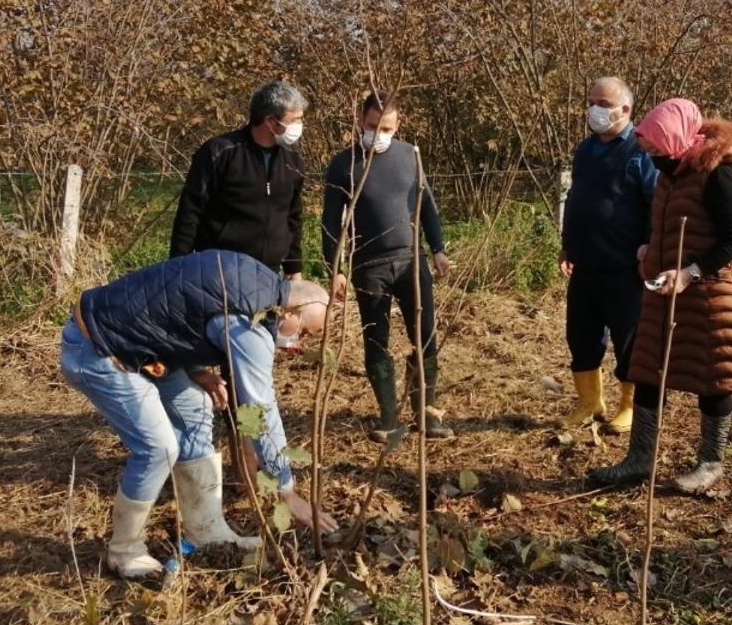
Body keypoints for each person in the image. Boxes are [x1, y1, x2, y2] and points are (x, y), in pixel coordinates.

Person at [59, 249, 339, 579]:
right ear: (290, 311)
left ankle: (205, 530)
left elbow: (179, 303)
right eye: (304, 332)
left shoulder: (256, 277)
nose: (298, 344)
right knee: (158, 448)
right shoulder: (251, 325)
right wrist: (286, 489)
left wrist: (195, 369)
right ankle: (125, 550)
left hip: (136, 338)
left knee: (195, 407)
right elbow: (259, 409)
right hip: (99, 347)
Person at [588, 98, 732, 494]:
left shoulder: (718, 175)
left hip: (711, 297)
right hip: (666, 293)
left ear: (676, 137)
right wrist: (651, 249)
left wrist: (689, 272)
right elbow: (664, 224)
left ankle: (710, 463)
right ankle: (639, 459)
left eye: (654, 148)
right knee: (649, 370)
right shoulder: (671, 173)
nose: (651, 156)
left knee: (713, 378)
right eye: (647, 150)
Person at [322, 91, 454, 443]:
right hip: (369, 265)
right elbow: (330, 222)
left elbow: (427, 206)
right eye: (372, 126)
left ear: (398, 126)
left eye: (387, 128)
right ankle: (389, 416)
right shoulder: (343, 164)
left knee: (424, 335)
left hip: (412, 261)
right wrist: (335, 267)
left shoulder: (410, 156)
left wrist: (438, 249)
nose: (379, 134)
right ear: (359, 121)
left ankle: (427, 412)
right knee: (376, 340)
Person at [558, 77, 658, 433]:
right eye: (592, 101)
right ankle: (589, 402)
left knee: (628, 338)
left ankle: (629, 405)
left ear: (624, 109)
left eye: (602, 103)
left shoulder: (640, 151)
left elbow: (655, 205)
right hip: (585, 264)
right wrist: (567, 244)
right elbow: (575, 200)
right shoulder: (585, 150)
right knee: (580, 335)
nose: (594, 109)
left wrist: (651, 248)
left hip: (625, 268)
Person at [171, 80, 308, 277]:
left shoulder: (292, 159)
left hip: (269, 271)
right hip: (220, 268)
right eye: (294, 119)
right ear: (270, 121)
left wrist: (294, 268)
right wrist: (178, 267)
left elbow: (292, 216)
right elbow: (189, 212)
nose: (299, 125)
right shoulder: (220, 152)